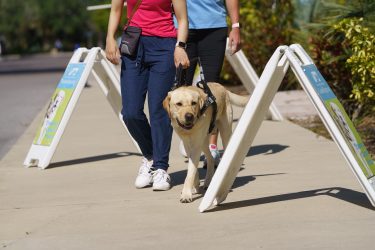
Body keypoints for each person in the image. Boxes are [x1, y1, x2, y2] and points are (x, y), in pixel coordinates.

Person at [105, 0, 189, 191]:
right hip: (134, 45)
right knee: (130, 112)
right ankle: (151, 155)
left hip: (164, 47)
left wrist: (180, 46)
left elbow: (183, 19)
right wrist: (110, 37)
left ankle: (160, 167)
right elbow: (116, 9)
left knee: (159, 110)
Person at [184, 0, 241, 167]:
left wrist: (236, 26)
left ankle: (212, 145)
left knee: (211, 90)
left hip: (214, 27)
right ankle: (189, 129)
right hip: (182, 28)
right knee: (182, 88)